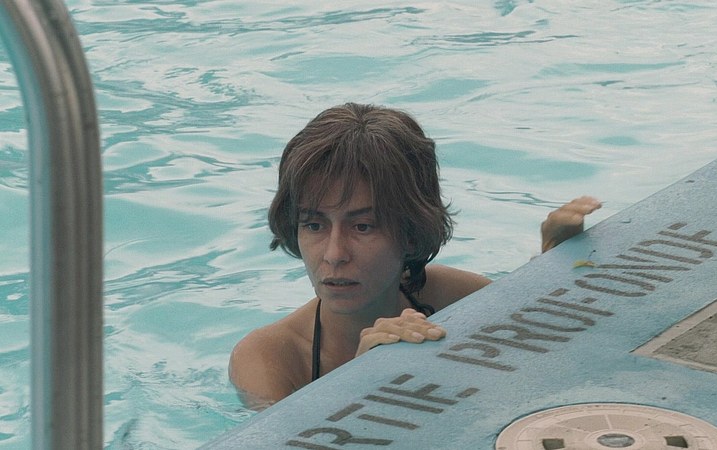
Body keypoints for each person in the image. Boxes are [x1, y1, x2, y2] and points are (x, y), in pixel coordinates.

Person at [228, 103, 601, 410]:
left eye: (363, 227)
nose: (334, 254)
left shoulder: (453, 300)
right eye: (314, 225)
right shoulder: (270, 359)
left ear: (410, 233)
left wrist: (553, 268)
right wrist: (360, 385)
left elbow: (563, 354)